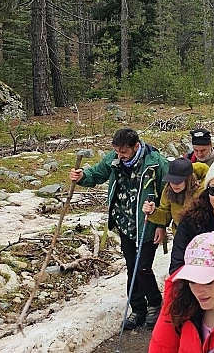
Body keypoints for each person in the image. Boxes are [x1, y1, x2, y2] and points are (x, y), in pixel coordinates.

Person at [70, 128, 168, 330]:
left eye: (124, 152)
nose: (120, 156)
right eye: (117, 151)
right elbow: (96, 174)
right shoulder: (114, 160)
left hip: (148, 225)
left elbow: (167, 195)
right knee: (132, 267)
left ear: (136, 147)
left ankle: (155, 304)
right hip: (125, 223)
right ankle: (138, 309)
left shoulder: (155, 162)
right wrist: (81, 176)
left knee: (143, 267)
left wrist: (161, 225)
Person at [143, 157, 208, 236]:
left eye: (178, 181)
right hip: (180, 235)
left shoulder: (203, 192)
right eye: (171, 180)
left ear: (188, 179)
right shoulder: (168, 190)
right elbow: (165, 216)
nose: (174, 185)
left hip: (202, 236)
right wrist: (153, 212)